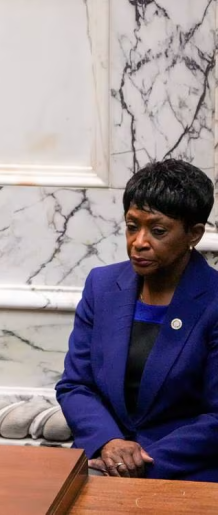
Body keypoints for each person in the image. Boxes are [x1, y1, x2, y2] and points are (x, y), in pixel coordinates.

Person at [56, 159, 218, 482]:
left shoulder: (213, 300)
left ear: (194, 234)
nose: (139, 241)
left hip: (182, 473)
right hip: (102, 466)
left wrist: (142, 460)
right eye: (132, 226)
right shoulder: (102, 287)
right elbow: (75, 385)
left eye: (157, 231)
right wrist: (109, 443)